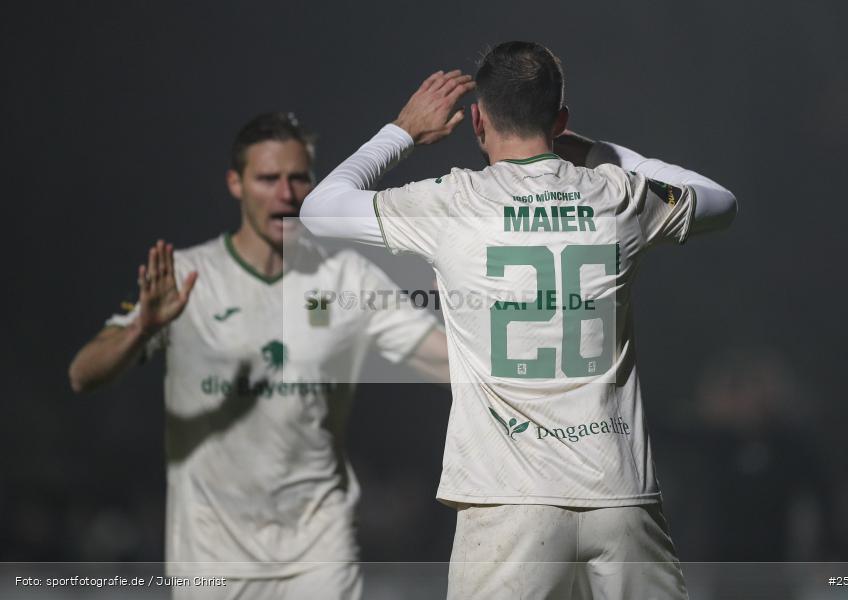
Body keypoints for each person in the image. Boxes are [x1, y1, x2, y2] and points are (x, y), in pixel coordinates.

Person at [299, 41, 736, 599]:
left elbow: (318, 209)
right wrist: (600, 151)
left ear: (478, 119)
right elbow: (720, 202)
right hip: (619, 494)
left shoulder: (451, 203)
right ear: (559, 121)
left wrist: (402, 132)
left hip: (508, 501)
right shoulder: (617, 194)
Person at [68, 112, 448, 599]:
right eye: (268, 178)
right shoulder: (187, 276)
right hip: (210, 554)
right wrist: (142, 328)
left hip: (318, 550)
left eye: (298, 178)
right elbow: (82, 374)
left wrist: (481, 318)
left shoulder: (348, 276)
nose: (286, 194)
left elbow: (447, 363)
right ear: (236, 183)